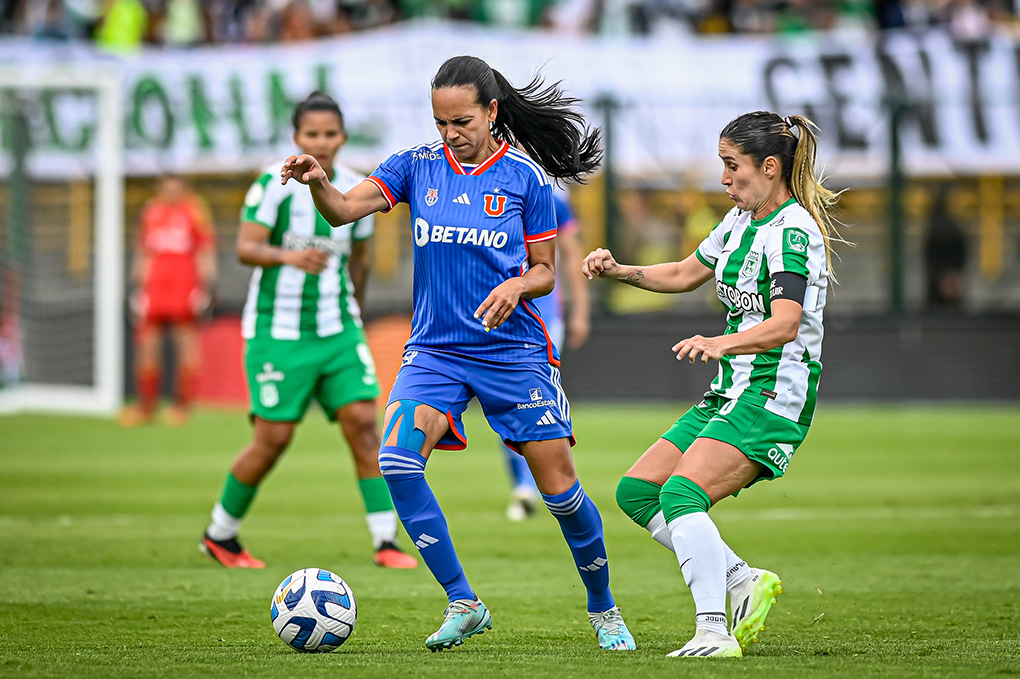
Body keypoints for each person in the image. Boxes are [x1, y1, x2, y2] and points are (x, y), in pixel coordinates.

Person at [281, 55, 636, 653]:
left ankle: (603, 609)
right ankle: (463, 601)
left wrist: (516, 284)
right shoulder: (415, 167)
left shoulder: (527, 180)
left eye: (463, 121)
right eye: (442, 122)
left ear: (492, 111)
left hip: (514, 352)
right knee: (396, 461)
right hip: (436, 352)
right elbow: (342, 211)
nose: (451, 134)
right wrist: (320, 179)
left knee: (560, 490)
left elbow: (546, 272)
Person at [582, 111, 840, 658]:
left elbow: (785, 323)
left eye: (732, 166)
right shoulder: (737, 222)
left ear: (770, 168)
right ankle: (742, 579)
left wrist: (723, 341)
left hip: (771, 394)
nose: (724, 178)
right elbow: (681, 273)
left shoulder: (791, 231)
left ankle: (713, 632)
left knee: (681, 493)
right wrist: (620, 271)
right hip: (730, 389)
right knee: (638, 491)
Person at [200, 92, 417, 571]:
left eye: (330, 134)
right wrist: (289, 255)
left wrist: (354, 316)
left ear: (342, 137)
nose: (321, 142)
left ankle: (386, 541)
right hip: (278, 332)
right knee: (272, 438)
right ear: (296, 138)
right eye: (311, 134)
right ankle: (220, 533)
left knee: (364, 425)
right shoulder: (272, 184)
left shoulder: (357, 186)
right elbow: (246, 247)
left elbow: (359, 260)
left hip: (337, 330)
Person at [503, 188, 591, 521]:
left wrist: (580, 310)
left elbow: (570, 254)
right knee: (506, 400)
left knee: (535, 397)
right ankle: (524, 484)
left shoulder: (549, 195)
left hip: (542, 316)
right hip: (501, 311)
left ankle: (532, 484)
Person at [120, 174, 216, 427]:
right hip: (154, 290)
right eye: (167, 188)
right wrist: (136, 287)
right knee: (147, 348)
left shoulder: (194, 211)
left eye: (176, 188)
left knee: (186, 346)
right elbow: (143, 251)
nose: (171, 192)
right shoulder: (151, 211)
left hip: (185, 288)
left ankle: (182, 406)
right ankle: (145, 407)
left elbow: (205, 249)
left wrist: (207, 287)